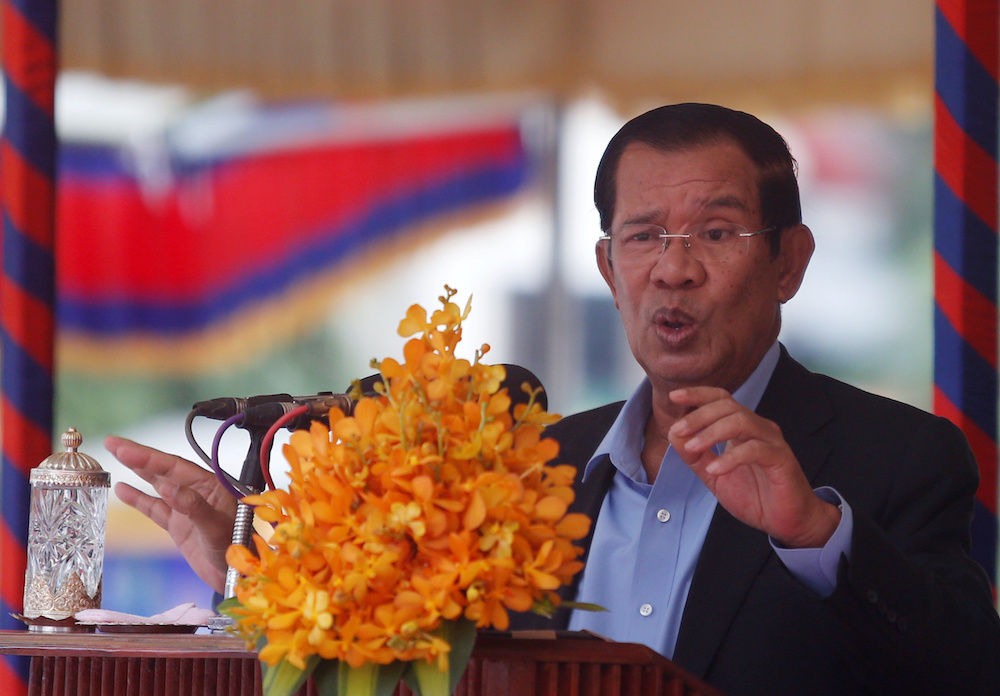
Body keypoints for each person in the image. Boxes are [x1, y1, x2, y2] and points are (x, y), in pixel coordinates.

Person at [107, 103, 1000, 696]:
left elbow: (965, 670)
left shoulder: (894, 460)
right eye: (643, 236)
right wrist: (250, 575)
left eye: (716, 233)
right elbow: (405, 662)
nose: (673, 268)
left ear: (790, 262)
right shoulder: (521, 466)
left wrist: (816, 534)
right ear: (609, 268)